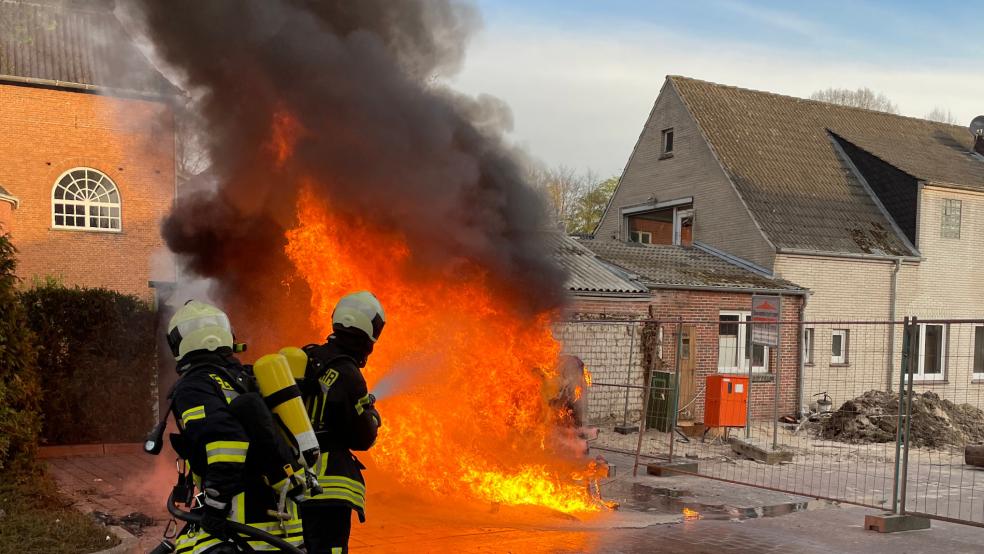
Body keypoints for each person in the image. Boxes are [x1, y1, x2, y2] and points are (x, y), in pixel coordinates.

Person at [166, 300, 305, 553]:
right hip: (281, 519)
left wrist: (215, 507)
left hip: (241, 519)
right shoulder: (248, 378)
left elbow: (226, 443)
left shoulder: (195, 386)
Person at [298, 291, 385, 553]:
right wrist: (372, 417)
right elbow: (362, 438)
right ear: (368, 333)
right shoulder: (349, 373)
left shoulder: (307, 356)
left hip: (293, 480)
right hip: (329, 487)